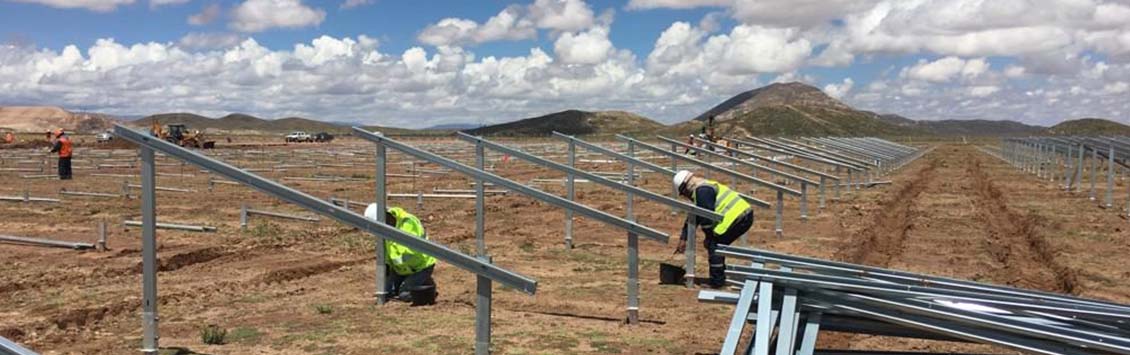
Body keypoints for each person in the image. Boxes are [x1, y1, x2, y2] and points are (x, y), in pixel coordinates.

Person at [672, 170, 753, 288]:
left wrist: (709, 238)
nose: (685, 197)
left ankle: (717, 282)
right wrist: (684, 238)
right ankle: (720, 275)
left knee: (715, 245)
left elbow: (706, 218)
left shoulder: (702, 191)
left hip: (738, 218)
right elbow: (694, 215)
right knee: (716, 244)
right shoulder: (701, 188)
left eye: (683, 194)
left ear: (685, 188)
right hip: (742, 216)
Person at [364, 204, 437, 304]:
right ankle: (409, 283)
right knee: (388, 293)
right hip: (401, 269)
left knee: (405, 295)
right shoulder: (385, 229)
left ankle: (427, 285)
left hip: (420, 267)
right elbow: (386, 251)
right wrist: (387, 266)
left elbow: (409, 251)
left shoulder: (408, 222)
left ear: (386, 216)